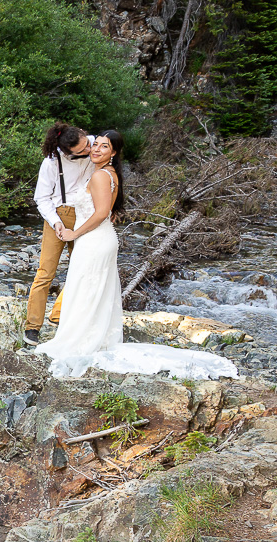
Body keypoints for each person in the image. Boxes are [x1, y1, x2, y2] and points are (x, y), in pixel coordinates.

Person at [34, 130, 237, 381]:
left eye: (100, 146)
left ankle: (81, 340)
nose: (93, 149)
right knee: (89, 287)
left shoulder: (99, 174)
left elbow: (100, 214)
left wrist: (75, 233)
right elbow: (63, 201)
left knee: (87, 287)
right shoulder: (103, 171)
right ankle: (85, 335)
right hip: (96, 236)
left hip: (93, 237)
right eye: (92, 146)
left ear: (114, 152)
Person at [23, 123, 95, 346]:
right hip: (59, 214)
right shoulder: (52, 163)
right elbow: (41, 198)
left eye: (87, 144)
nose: (88, 150)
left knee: (81, 269)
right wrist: (56, 223)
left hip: (87, 214)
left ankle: (59, 313)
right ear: (66, 152)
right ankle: (32, 327)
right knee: (45, 272)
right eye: (82, 150)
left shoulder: (94, 144)